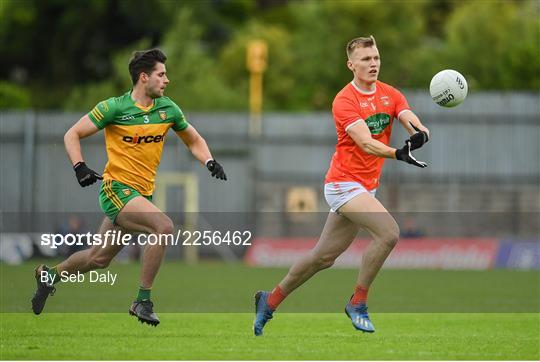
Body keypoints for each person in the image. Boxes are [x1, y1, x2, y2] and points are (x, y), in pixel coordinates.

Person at [31, 49, 227, 326]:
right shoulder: (114, 107)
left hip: (140, 194)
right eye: (162, 74)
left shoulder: (168, 109)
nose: (167, 80)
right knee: (164, 226)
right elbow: (72, 133)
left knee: (99, 258)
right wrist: (80, 166)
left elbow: (193, 139)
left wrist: (209, 161)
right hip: (117, 190)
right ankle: (142, 300)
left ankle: (49, 276)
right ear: (144, 77)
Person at [253, 36, 430, 335]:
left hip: (365, 187)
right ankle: (357, 302)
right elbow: (365, 142)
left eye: (375, 58)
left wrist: (420, 132)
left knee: (323, 257)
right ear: (351, 65)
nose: (373, 63)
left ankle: (269, 300)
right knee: (388, 233)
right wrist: (398, 154)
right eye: (365, 59)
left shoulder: (390, 93)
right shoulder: (344, 100)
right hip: (343, 185)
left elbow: (407, 115)